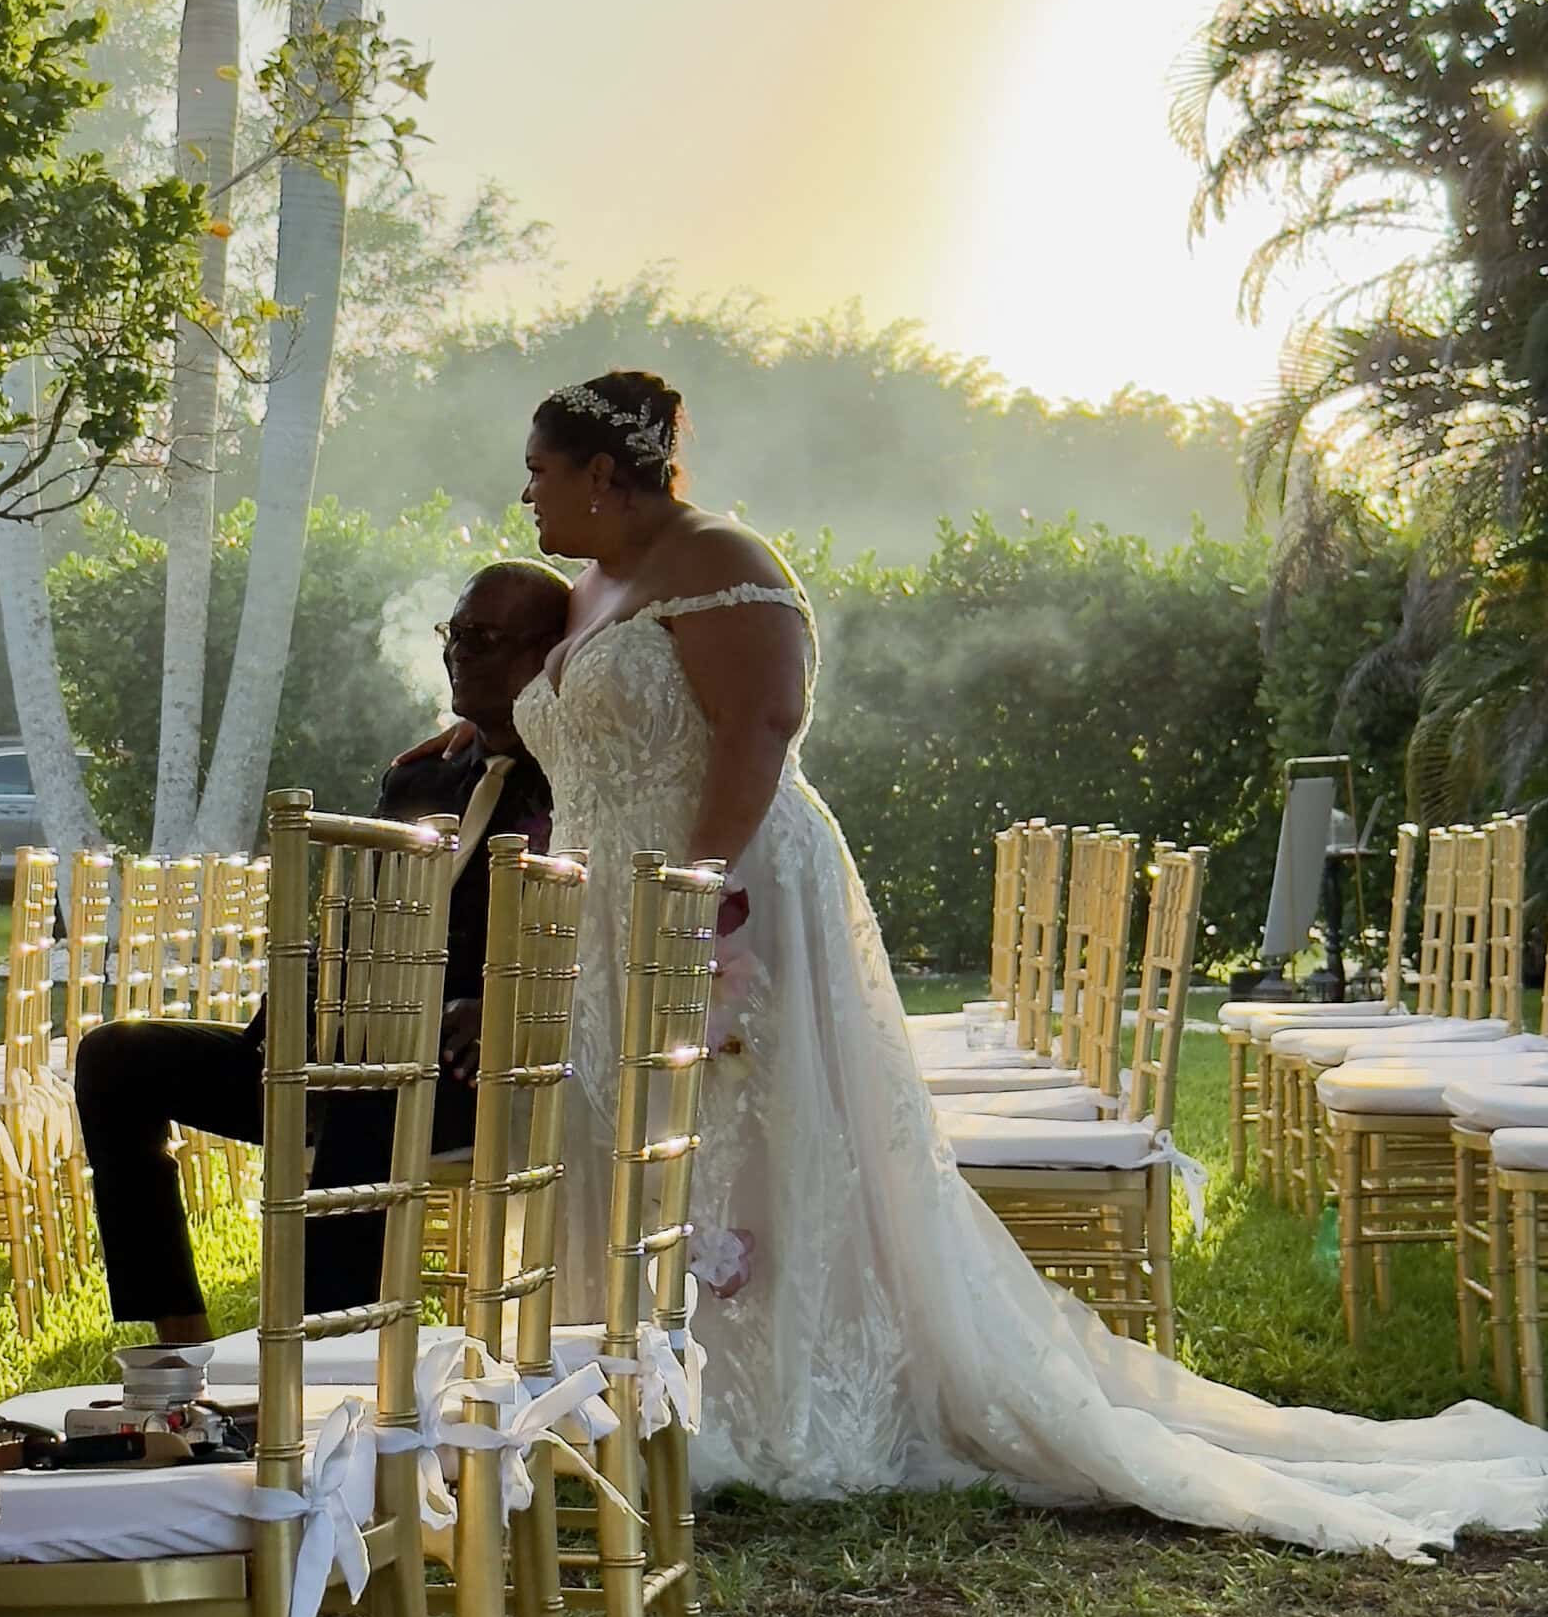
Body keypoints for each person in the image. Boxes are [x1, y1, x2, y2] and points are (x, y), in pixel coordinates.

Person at [510, 366, 1548, 1556]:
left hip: (724, 889)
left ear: (604, 473)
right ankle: (622, 1372)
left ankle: (762, 1399)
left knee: (744, 1131)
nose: (523, 492)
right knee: (622, 1125)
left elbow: (760, 723)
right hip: (601, 911)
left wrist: (693, 889)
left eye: (538, 470)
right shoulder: (589, 587)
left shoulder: (718, 558)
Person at [73, 559, 566, 1390]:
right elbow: (360, 915)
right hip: (338, 1037)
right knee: (115, 1056)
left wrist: (501, 1001)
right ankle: (180, 1352)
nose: (458, 655)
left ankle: (325, 1373)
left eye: (484, 639)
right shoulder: (418, 776)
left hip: (474, 1064)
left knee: (375, 1084)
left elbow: (584, 928)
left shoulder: (576, 780)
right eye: (453, 633)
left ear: (549, 657)